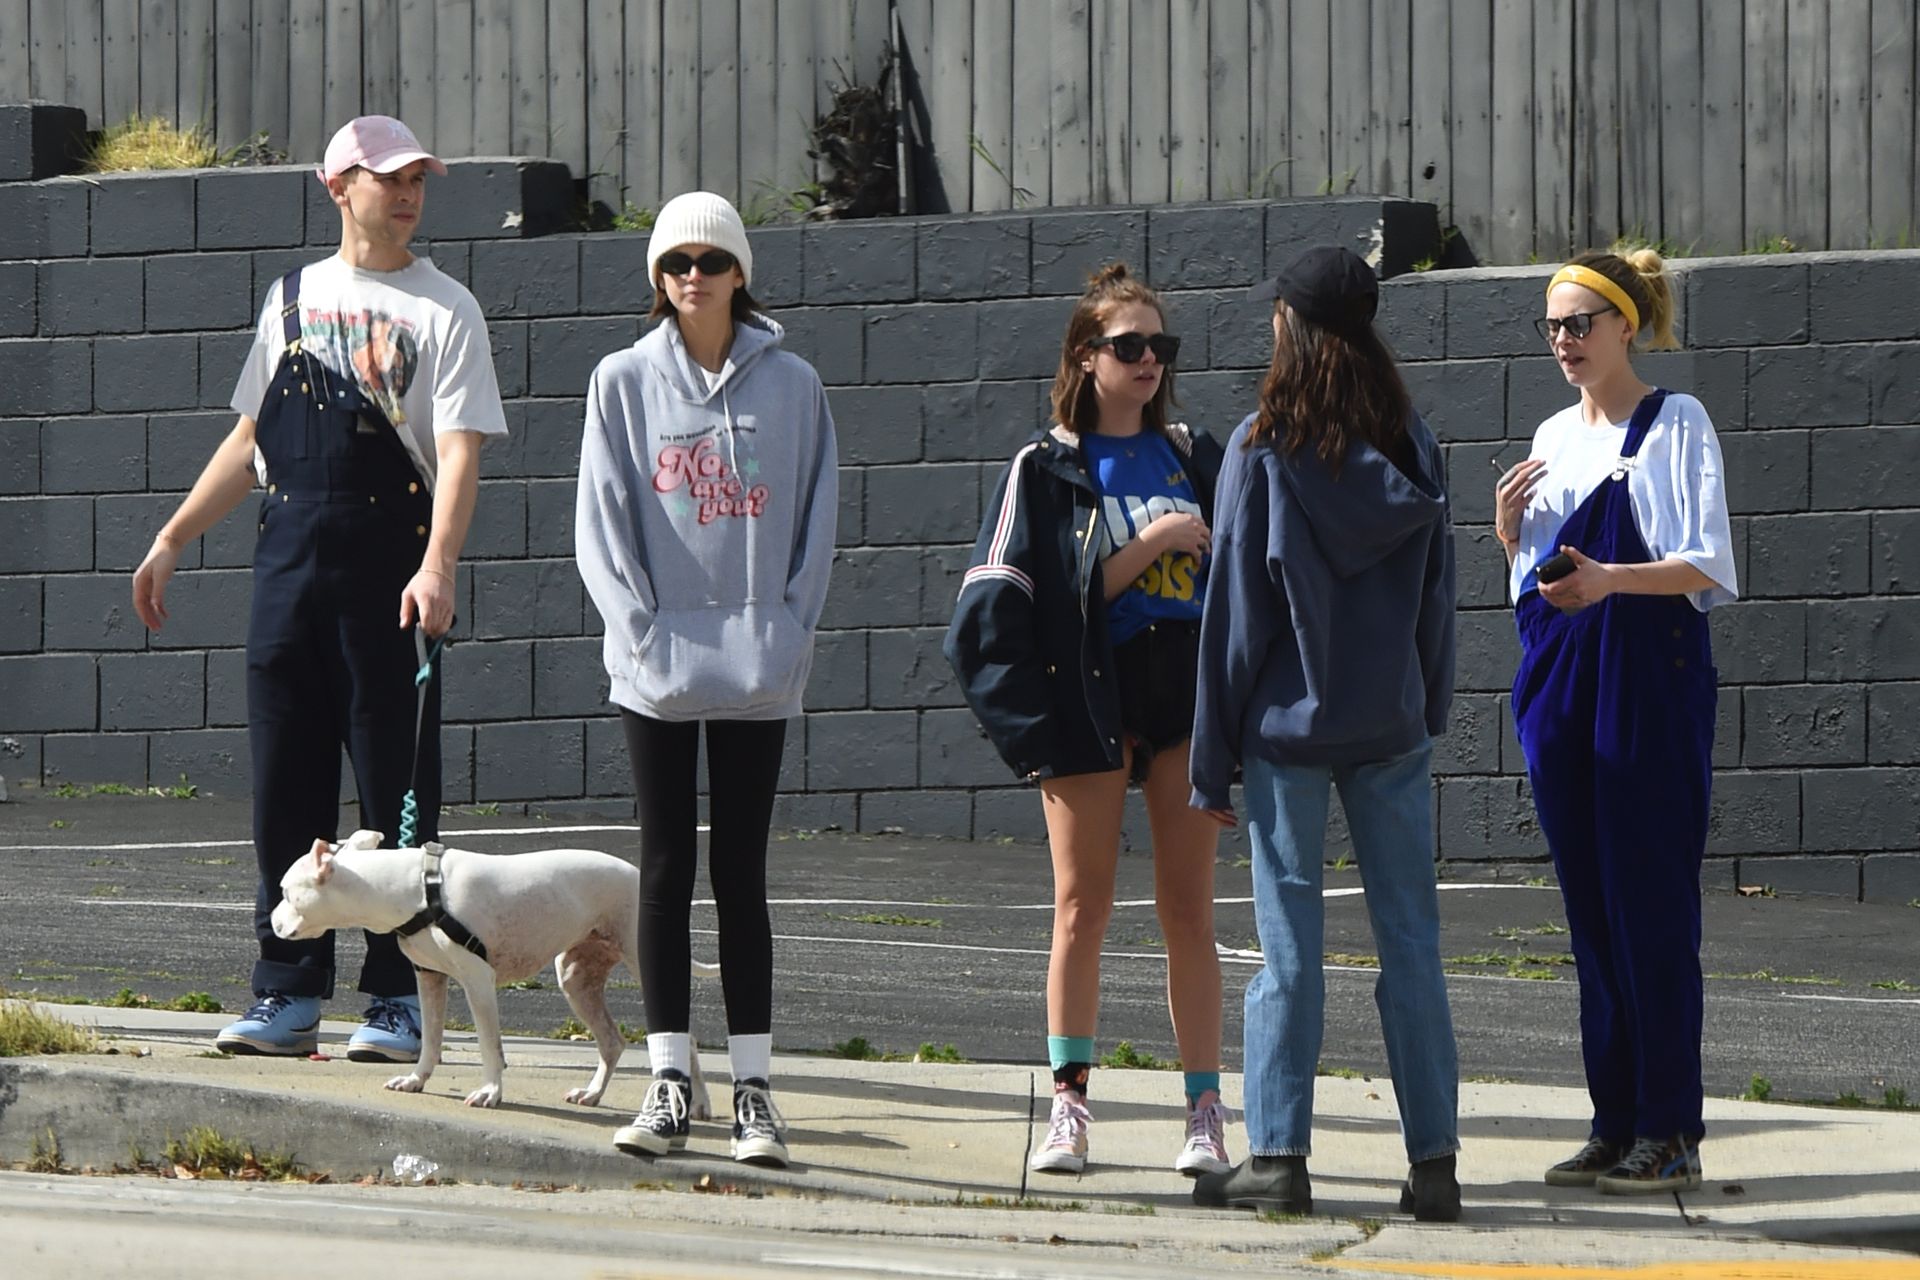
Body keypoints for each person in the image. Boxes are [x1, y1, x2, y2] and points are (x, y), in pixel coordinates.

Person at [130, 116, 507, 1060]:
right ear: (338, 185)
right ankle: (286, 992)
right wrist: (174, 536)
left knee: (395, 794)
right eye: (389, 178)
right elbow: (250, 440)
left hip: (393, 577)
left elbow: (458, 456)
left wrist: (441, 563)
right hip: (287, 571)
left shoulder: (448, 309)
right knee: (284, 794)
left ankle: (399, 999)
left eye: (420, 177)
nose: (409, 193)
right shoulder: (290, 299)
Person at [1188, 245, 1461, 1221]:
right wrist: (1423, 703)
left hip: (1287, 734)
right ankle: (1434, 1165)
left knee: (1290, 949)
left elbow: (1234, 615)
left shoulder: (1265, 448)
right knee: (1412, 943)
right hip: (1388, 724)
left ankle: (1280, 1155)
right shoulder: (1413, 445)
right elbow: (1438, 596)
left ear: (1291, 326)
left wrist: (1210, 757)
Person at [946, 263, 1232, 1178]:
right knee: (1082, 905)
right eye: (1129, 345)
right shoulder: (1048, 465)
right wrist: (1148, 545)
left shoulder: (1195, 453)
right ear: (1086, 355)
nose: (1148, 360)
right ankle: (1068, 1105)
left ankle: (1203, 1113)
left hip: (1182, 695)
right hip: (1090, 697)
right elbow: (1022, 611)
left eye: (1160, 346)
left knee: (1189, 910)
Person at [576, 191, 838, 1170]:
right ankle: (670, 1076)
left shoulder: (795, 385)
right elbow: (600, 521)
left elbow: (817, 519)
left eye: (712, 259)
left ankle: (757, 1090)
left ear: (739, 274)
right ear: (659, 276)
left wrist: (788, 631)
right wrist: (638, 632)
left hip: (757, 669)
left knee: (740, 871)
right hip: (654, 669)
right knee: (665, 868)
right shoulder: (620, 382)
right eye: (676, 260)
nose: (694, 274)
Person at [1495, 249, 1736, 1195]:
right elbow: (1534, 587)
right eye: (1553, 327)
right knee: (1591, 913)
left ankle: (1670, 1125)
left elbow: (1706, 563)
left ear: (1625, 324)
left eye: (1580, 324)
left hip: (1647, 682)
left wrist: (1607, 581)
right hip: (1560, 682)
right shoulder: (1552, 432)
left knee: (1651, 907)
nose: (1564, 341)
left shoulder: (1676, 423)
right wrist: (1512, 538)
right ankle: (1615, 1120)